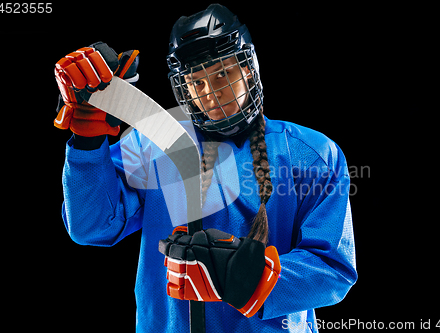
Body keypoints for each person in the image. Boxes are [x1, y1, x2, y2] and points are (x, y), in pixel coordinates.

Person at [55, 4, 357, 332]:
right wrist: (87, 144)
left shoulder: (311, 155)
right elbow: (91, 227)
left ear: (249, 69)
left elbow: (333, 270)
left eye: (222, 73)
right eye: (196, 82)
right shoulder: (152, 144)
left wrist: (249, 278)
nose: (210, 94)